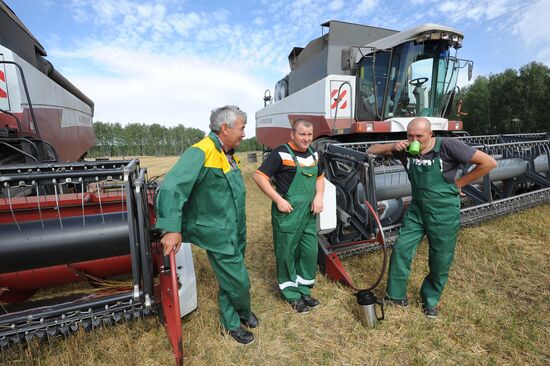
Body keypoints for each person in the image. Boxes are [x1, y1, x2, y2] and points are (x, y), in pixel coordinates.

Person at [367, 117, 496, 318]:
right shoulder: (405, 148)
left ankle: (430, 300)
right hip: (417, 209)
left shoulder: (449, 146)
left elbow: (488, 162)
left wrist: (460, 183)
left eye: (419, 135)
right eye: (410, 135)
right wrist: (393, 145)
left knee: (440, 258)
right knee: (401, 249)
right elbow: (371, 150)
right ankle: (396, 297)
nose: (414, 139)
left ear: (430, 134)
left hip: (443, 211)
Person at [155, 105, 258, 345]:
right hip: (218, 232)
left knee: (230, 276)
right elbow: (172, 187)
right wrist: (172, 228)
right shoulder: (201, 151)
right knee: (239, 280)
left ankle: (237, 314)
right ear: (225, 128)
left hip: (235, 227)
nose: (244, 133)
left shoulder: (227, 152)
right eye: (242, 128)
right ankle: (234, 322)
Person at [253, 119, 325, 313]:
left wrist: (319, 196)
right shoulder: (280, 153)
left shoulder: (314, 153)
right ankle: (291, 294)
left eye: (309, 135)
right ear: (292, 134)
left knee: (309, 252)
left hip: (309, 213)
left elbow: (320, 177)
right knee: (286, 253)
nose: (306, 139)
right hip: (288, 213)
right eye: (302, 134)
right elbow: (259, 176)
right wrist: (278, 199)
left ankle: (304, 289)